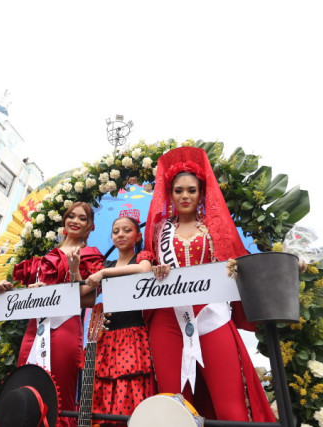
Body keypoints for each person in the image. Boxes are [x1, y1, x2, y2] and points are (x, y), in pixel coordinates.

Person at [144, 146, 275, 422]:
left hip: (210, 314)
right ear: (170, 194)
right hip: (167, 318)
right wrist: (152, 265)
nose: (185, 196)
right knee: (174, 408)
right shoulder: (159, 232)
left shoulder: (215, 228)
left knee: (231, 408)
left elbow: (242, 262)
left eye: (191, 190)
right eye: (178, 190)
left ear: (201, 193)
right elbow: (146, 259)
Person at [0, 201, 104, 427]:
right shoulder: (45, 258)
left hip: (64, 326)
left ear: (90, 226)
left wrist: (70, 274)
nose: (75, 221)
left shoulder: (91, 255)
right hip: (35, 328)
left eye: (82, 218)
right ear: (64, 220)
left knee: (59, 390)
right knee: (25, 382)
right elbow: (30, 294)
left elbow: (88, 295)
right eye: (71, 216)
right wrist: (9, 290)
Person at [83, 215, 157, 425]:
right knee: (102, 389)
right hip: (107, 336)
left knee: (131, 387)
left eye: (127, 230)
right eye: (116, 231)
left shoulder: (142, 256)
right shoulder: (104, 264)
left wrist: (104, 273)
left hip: (133, 332)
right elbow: (82, 291)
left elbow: (144, 269)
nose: (121, 235)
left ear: (138, 235)